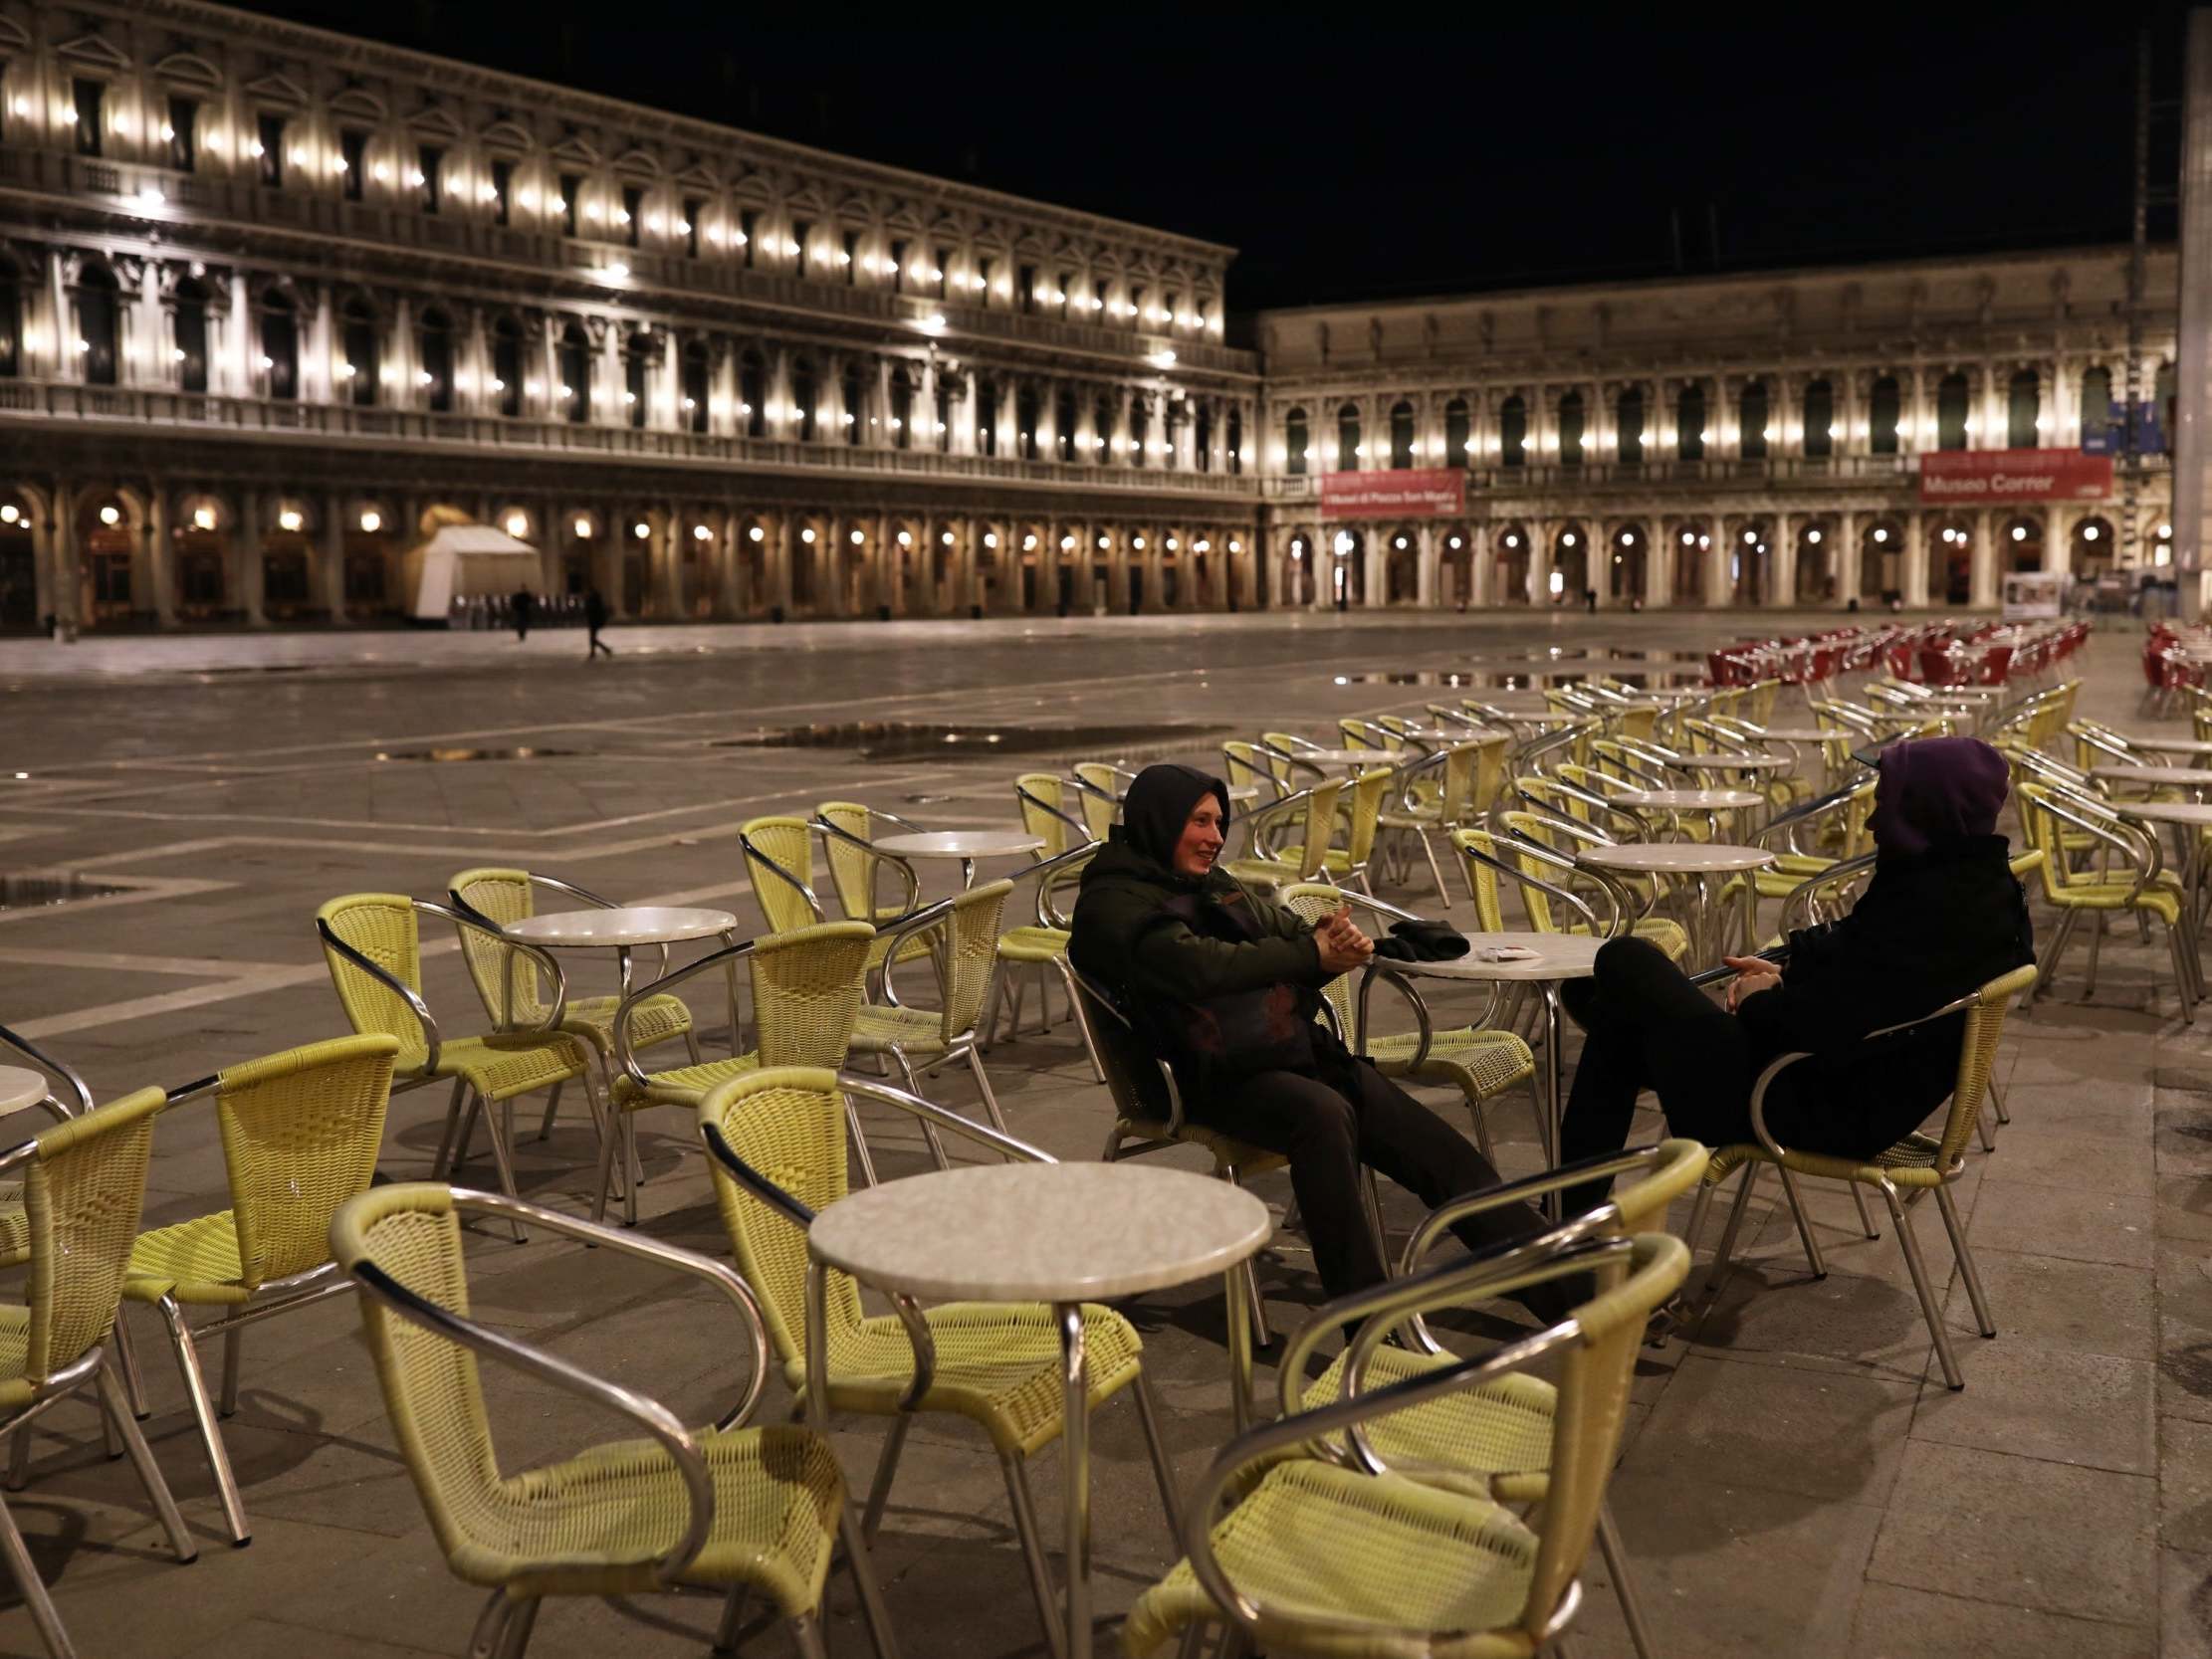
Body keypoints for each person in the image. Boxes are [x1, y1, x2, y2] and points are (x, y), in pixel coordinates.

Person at [1069, 763, 1555, 1306]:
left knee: (1434, 1147)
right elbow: (1194, 966)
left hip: (1270, 1051)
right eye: (1199, 821)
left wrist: (1328, 945)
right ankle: (1365, 1315)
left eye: (1219, 822)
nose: (1214, 837)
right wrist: (1307, 954)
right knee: (1321, 1112)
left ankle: (1564, 1283)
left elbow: (1289, 936)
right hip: (1190, 1078)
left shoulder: (1210, 883)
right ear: (1157, 820)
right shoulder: (1110, 903)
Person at [1553, 735, 2034, 1218]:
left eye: (1884, 805)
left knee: (1624, 960)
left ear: (1927, 808)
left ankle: (1566, 1224)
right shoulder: (1976, 888)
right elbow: (1859, 967)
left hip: (1811, 1106)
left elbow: (1817, 1021)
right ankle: (1569, 1224)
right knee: (1619, 1026)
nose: (1871, 822)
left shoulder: (1930, 912)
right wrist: (1786, 971)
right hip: (1846, 1088)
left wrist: (1762, 995)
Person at [582, 585, 612, 660]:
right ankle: (594, 652)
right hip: (593, 621)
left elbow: (591, 610)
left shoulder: (593, 600)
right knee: (592, 638)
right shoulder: (595, 599)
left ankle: (604, 649)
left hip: (594, 621)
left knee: (592, 638)